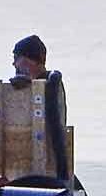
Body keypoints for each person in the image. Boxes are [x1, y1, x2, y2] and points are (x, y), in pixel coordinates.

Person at [12, 34, 70, 182]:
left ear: (29, 61)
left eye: (16, 58)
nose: (14, 64)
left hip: (46, 168)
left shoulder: (52, 83)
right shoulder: (30, 86)